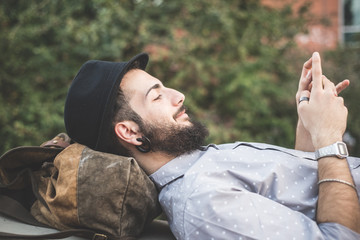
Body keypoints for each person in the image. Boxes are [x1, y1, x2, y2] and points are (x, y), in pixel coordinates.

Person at [64, 52, 360, 239]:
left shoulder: (198, 165)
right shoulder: (201, 205)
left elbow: (304, 195)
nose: (178, 95)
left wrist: (307, 121)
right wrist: (329, 140)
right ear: (131, 132)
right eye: (156, 96)